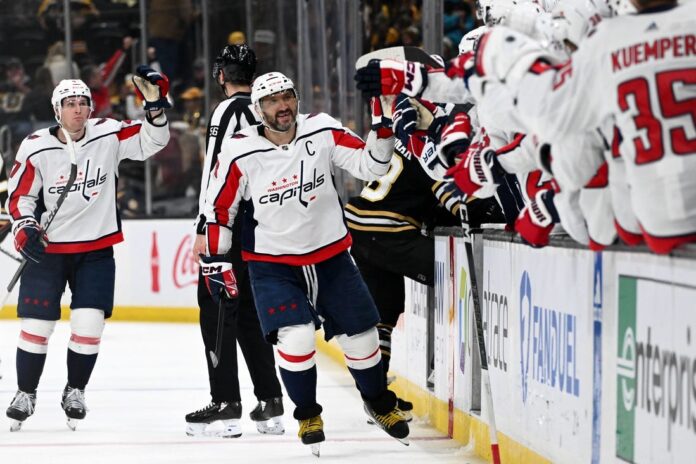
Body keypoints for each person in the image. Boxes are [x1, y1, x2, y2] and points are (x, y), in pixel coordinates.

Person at [201, 71, 409, 454]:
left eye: (287, 97)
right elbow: (219, 208)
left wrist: (382, 128)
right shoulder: (239, 149)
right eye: (272, 101)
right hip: (272, 264)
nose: (282, 106)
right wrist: (216, 260)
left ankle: (379, 403)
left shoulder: (322, 129)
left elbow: (372, 167)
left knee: (362, 337)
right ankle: (308, 414)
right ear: (258, 109)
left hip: (331, 256)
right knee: (295, 337)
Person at [4, 66, 171, 431]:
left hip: (95, 250)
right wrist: (25, 227)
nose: (78, 109)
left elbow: (151, 142)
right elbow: (20, 197)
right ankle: (25, 393)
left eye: (83, 102)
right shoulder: (35, 145)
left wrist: (156, 109)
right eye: (70, 104)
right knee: (36, 326)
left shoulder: (108, 133)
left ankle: (75, 391)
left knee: (89, 323)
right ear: (57, 110)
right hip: (47, 252)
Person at [185, 44, 285, 439]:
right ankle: (270, 401)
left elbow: (216, 172)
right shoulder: (265, 108)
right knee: (247, 313)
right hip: (262, 226)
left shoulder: (227, 111)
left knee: (216, 310)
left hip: (228, 224)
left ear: (221, 75)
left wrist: (205, 226)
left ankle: (226, 402)